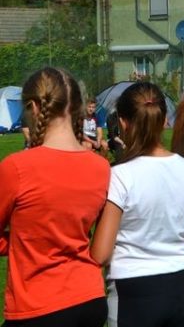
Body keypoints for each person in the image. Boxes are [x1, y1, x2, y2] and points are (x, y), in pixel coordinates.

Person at [91, 82, 184, 327]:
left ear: (123, 123)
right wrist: (169, 240)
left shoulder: (120, 176)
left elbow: (100, 253)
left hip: (132, 290)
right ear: (165, 121)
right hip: (180, 288)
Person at [0, 67, 111, 326]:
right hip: (90, 298)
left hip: (37, 304)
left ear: (34, 108)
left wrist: (17, 242)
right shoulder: (101, 167)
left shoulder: (17, 167)